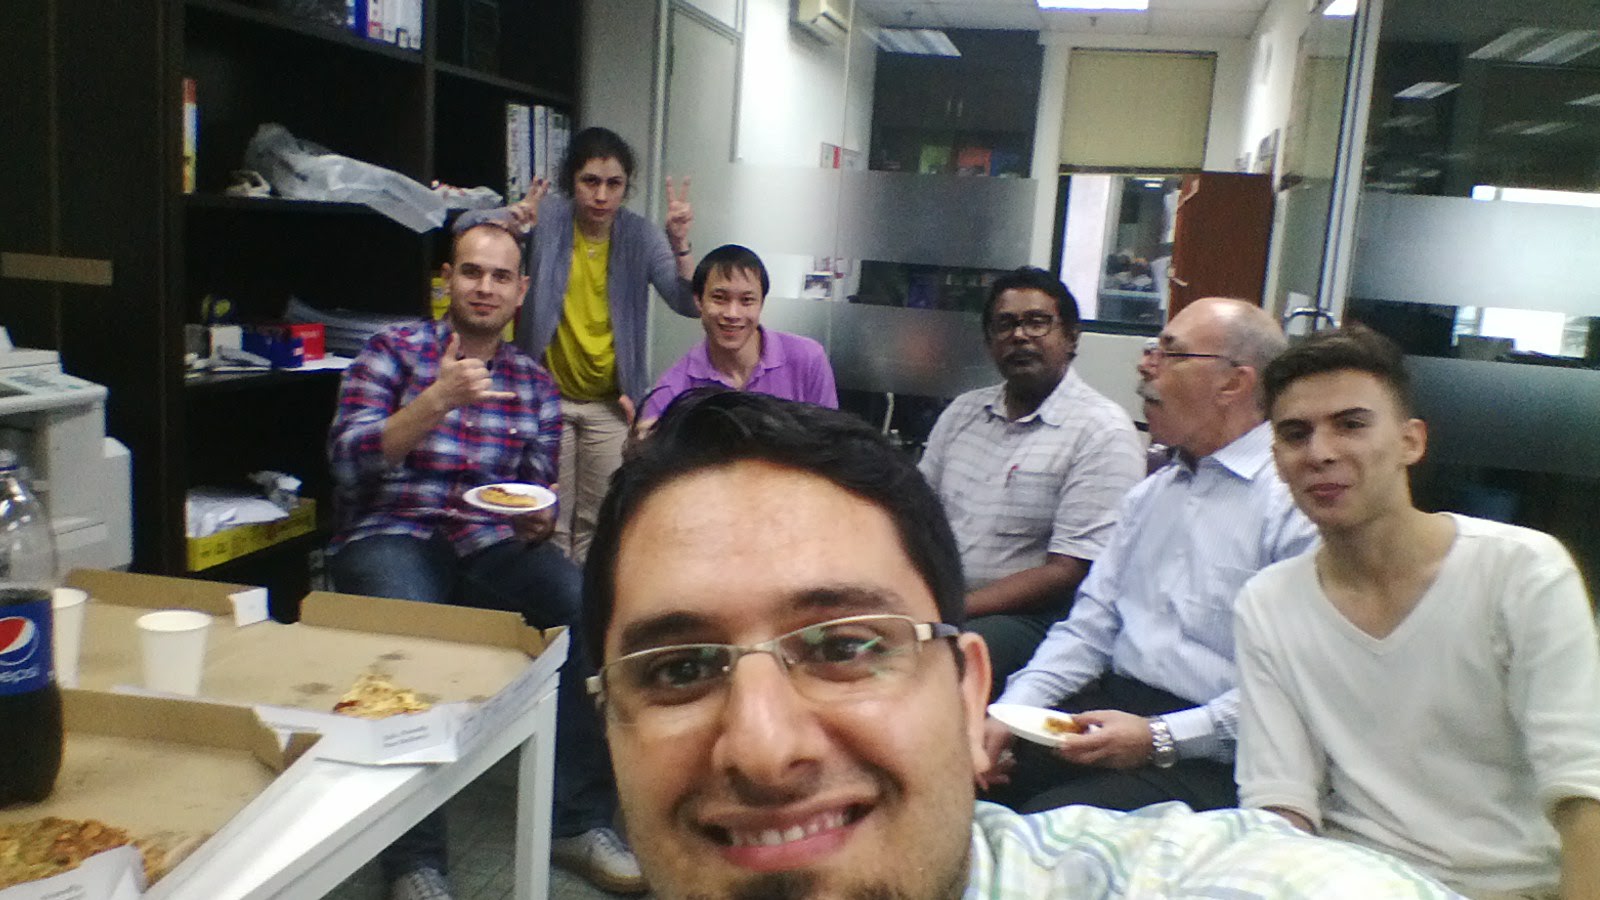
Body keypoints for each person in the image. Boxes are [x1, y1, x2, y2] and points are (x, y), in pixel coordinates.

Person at [575, 389, 1459, 900]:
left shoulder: (1263, 517)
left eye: (843, 647)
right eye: (679, 669)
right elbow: (1092, 618)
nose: (764, 750)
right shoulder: (1141, 490)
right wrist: (1019, 709)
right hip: (1075, 674)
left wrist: (1155, 737)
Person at [326, 222, 644, 899]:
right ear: (448, 279)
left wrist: (539, 519)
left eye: (501, 277)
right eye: (472, 272)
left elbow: (534, 493)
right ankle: (414, 860)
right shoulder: (391, 352)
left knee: (584, 604)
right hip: (392, 530)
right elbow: (347, 463)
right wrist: (436, 401)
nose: (485, 287)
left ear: (521, 291)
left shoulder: (533, 384)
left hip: (488, 542)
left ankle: (576, 822)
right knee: (409, 621)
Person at [1235, 326, 1600, 900]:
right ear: (1277, 458)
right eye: (1295, 434)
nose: (1320, 453)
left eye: (1351, 424)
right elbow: (1280, 801)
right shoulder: (1268, 602)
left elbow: (1583, 787)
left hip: (1508, 887)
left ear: (1411, 441)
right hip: (1345, 880)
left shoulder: (1522, 570)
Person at [979, 297, 1317, 815]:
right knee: (955, 782)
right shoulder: (1151, 495)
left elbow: (1293, 691)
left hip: (1216, 750)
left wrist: (1160, 737)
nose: (1145, 366)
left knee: (1048, 822)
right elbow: (1088, 628)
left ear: (1234, 383)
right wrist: (1009, 713)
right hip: (1112, 711)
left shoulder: (1293, 503)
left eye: (1170, 353)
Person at [458, 126, 698, 564]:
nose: (601, 195)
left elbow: (688, 303)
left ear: (626, 187)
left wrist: (680, 244)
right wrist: (511, 218)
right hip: (546, 400)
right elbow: (463, 227)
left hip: (611, 404)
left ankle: (583, 607)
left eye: (614, 184)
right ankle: (554, 606)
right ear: (572, 181)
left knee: (599, 527)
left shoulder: (640, 236)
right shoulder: (547, 218)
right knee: (547, 521)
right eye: (590, 181)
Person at [919, 267, 1144, 693]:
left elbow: (1068, 571)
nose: (1020, 335)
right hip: (944, 597)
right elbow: (916, 515)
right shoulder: (963, 412)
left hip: (1034, 617)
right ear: (989, 341)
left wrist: (953, 609)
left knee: (936, 659)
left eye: (1037, 322)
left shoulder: (1102, 430)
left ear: (1071, 337)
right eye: (1005, 324)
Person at [639, 243, 837, 423]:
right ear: (699, 301)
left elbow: (832, 441)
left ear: (761, 304)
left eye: (747, 300)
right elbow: (649, 442)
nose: (732, 314)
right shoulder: (674, 389)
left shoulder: (807, 360)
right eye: (720, 298)